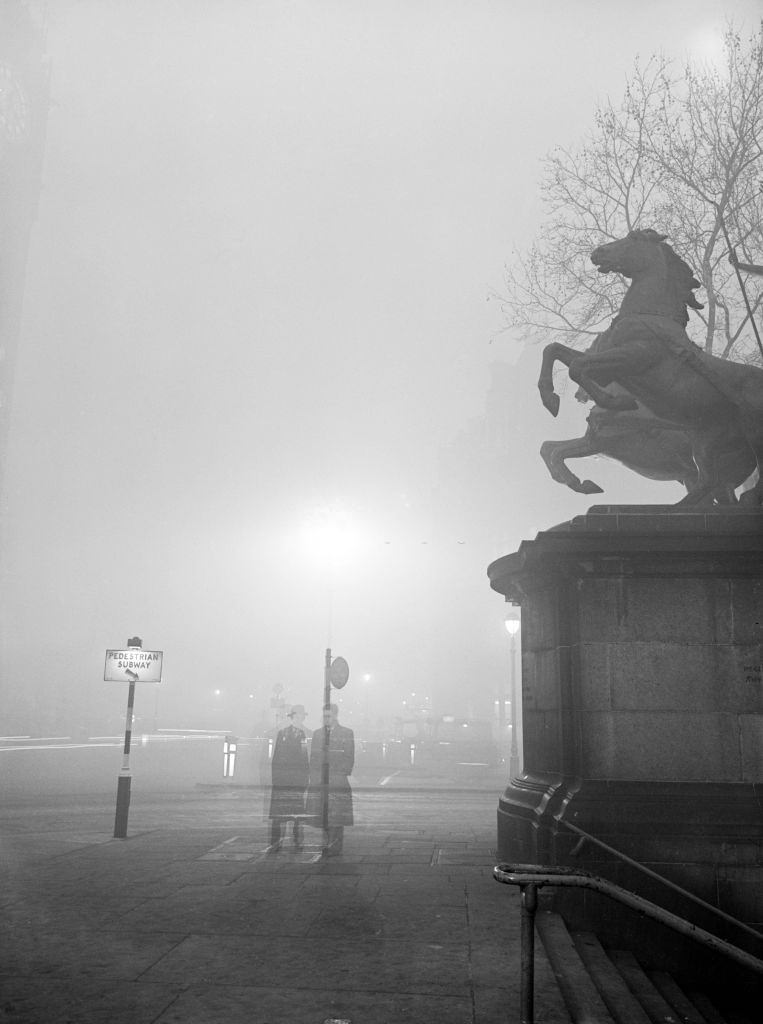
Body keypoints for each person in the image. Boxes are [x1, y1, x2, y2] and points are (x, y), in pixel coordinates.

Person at [306, 702, 354, 857]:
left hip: (337, 779)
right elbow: (314, 757)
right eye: (324, 715)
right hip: (322, 780)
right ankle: (327, 843)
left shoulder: (347, 733)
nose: (325, 718)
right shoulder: (318, 733)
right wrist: (315, 777)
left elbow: (349, 756)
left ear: (335, 715)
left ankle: (335, 846)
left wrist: (340, 773)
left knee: (337, 816)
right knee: (323, 815)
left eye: (328, 715)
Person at [268, 704, 309, 850]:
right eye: (298, 716)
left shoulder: (297, 734)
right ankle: (284, 842)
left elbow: (303, 759)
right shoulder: (287, 733)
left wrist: (304, 780)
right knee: (288, 815)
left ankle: (288, 842)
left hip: (290, 781)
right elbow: (278, 758)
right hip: (288, 780)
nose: (300, 718)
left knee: (288, 815)